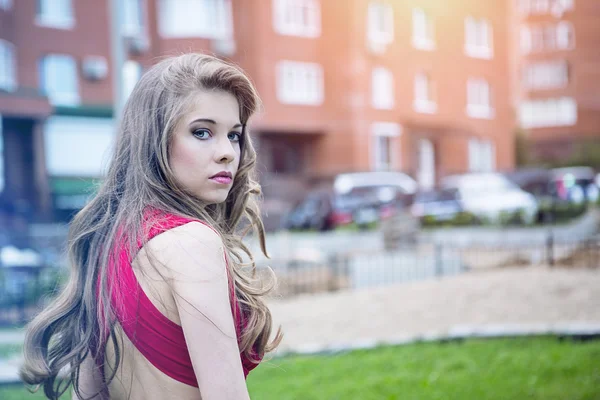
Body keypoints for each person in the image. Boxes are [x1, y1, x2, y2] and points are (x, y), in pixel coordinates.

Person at [19, 53, 282, 399]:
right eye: (202, 132)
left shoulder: (106, 242)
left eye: (233, 135)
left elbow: (88, 394)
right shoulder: (193, 242)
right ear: (154, 139)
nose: (227, 153)